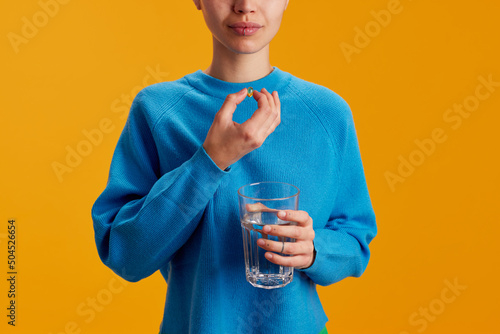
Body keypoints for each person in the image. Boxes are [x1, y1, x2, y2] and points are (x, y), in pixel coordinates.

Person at [91, 0, 377, 333]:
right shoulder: (158, 111)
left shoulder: (327, 114)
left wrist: (315, 250)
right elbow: (125, 254)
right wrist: (211, 160)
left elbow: (356, 241)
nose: (245, 6)